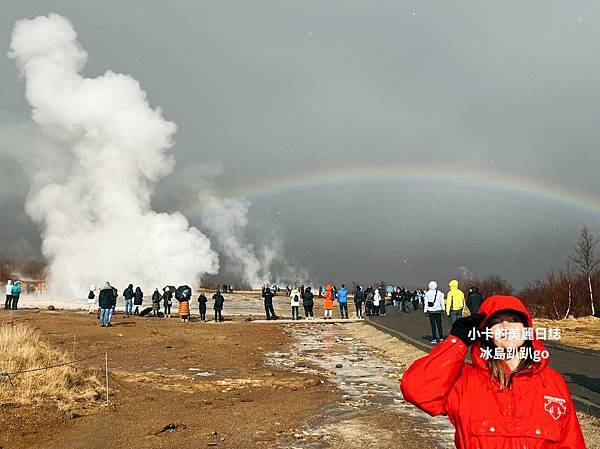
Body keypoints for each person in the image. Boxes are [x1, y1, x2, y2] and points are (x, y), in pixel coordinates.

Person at [400, 295, 586, 449]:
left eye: (514, 320)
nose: (506, 327)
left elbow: (571, 442)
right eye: (496, 322)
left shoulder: (552, 381)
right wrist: (456, 342)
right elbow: (416, 390)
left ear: (527, 329)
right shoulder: (465, 381)